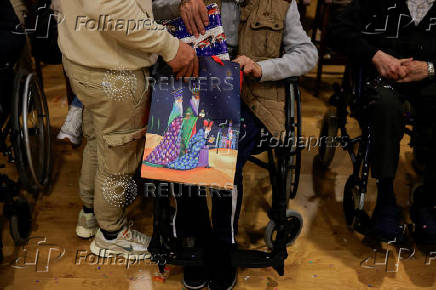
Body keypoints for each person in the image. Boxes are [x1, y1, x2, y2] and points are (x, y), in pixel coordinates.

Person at [152, 0, 317, 289]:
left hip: (252, 99)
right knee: (182, 131)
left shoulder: (280, 4)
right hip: (193, 87)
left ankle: (222, 244)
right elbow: (152, 9)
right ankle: (198, 238)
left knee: (227, 144)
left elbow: (306, 53)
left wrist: (261, 67)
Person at [56, 0, 199, 260]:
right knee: (119, 156)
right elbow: (109, 7)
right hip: (112, 67)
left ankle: (90, 214)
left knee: (100, 140)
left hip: (82, 56)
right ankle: (111, 234)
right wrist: (170, 46)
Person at [328, 0, 436, 242]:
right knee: (385, 107)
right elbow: (336, 30)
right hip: (382, 78)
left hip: (429, 81)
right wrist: (375, 55)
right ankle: (386, 196)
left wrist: (429, 68)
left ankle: (427, 199)